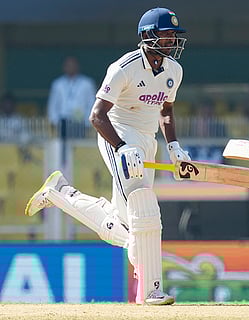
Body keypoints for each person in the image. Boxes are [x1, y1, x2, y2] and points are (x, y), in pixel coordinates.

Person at [25, 7, 191, 305]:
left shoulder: (174, 71)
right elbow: (96, 116)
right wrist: (122, 147)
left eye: (173, 36)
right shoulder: (123, 67)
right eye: (165, 35)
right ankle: (152, 290)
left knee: (129, 225)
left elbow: (166, 112)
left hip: (146, 142)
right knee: (142, 213)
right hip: (118, 135)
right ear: (147, 36)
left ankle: (62, 193)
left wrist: (174, 146)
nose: (170, 41)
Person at [46, 55, 96, 136]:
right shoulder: (58, 84)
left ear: (77, 67)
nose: (70, 68)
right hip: (63, 121)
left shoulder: (87, 83)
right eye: (68, 66)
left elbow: (91, 103)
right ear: (64, 67)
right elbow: (53, 104)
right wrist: (55, 121)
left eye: (73, 65)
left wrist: (88, 122)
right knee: (63, 145)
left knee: (79, 145)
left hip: (80, 121)